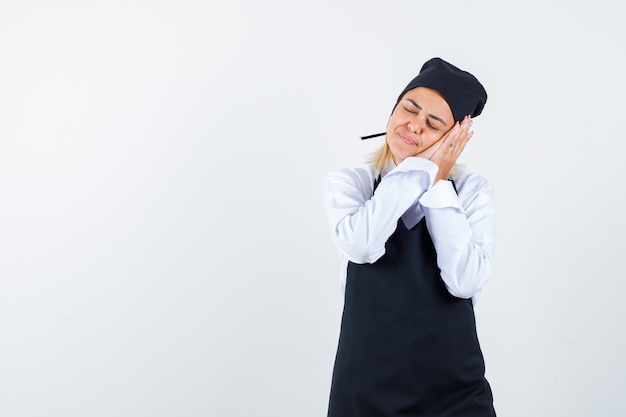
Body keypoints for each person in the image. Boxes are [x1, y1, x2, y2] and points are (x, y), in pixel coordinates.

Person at [323, 57, 496, 416]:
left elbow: (464, 281)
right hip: (364, 392)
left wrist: (436, 185)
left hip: (456, 396)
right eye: (409, 109)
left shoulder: (470, 192)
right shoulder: (351, 184)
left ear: (454, 138)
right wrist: (423, 167)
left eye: (433, 124)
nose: (414, 126)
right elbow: (362, 244)